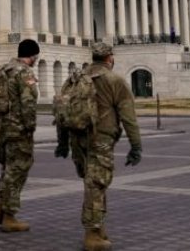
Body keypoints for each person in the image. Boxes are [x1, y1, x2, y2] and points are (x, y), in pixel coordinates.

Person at [55, 41, 141, 251]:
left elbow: (60, 112)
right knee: (96, 185)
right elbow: (128, 118)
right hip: (100, 140)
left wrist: (63, 143)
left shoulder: (75, 79)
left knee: (92, 183)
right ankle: (92, 234)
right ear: (110, 58)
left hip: (77, 138)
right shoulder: (115, 80)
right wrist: (136, 146)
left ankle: (99, 228)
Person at [0, 38, 39, 233]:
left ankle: (1, 207)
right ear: (33, 56)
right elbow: (28, 103)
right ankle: (9, 216)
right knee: (17, 170)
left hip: (2, 129)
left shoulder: (5, 70)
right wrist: (30, 127)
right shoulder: (25, 72)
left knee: (8, 169)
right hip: (18, 130)